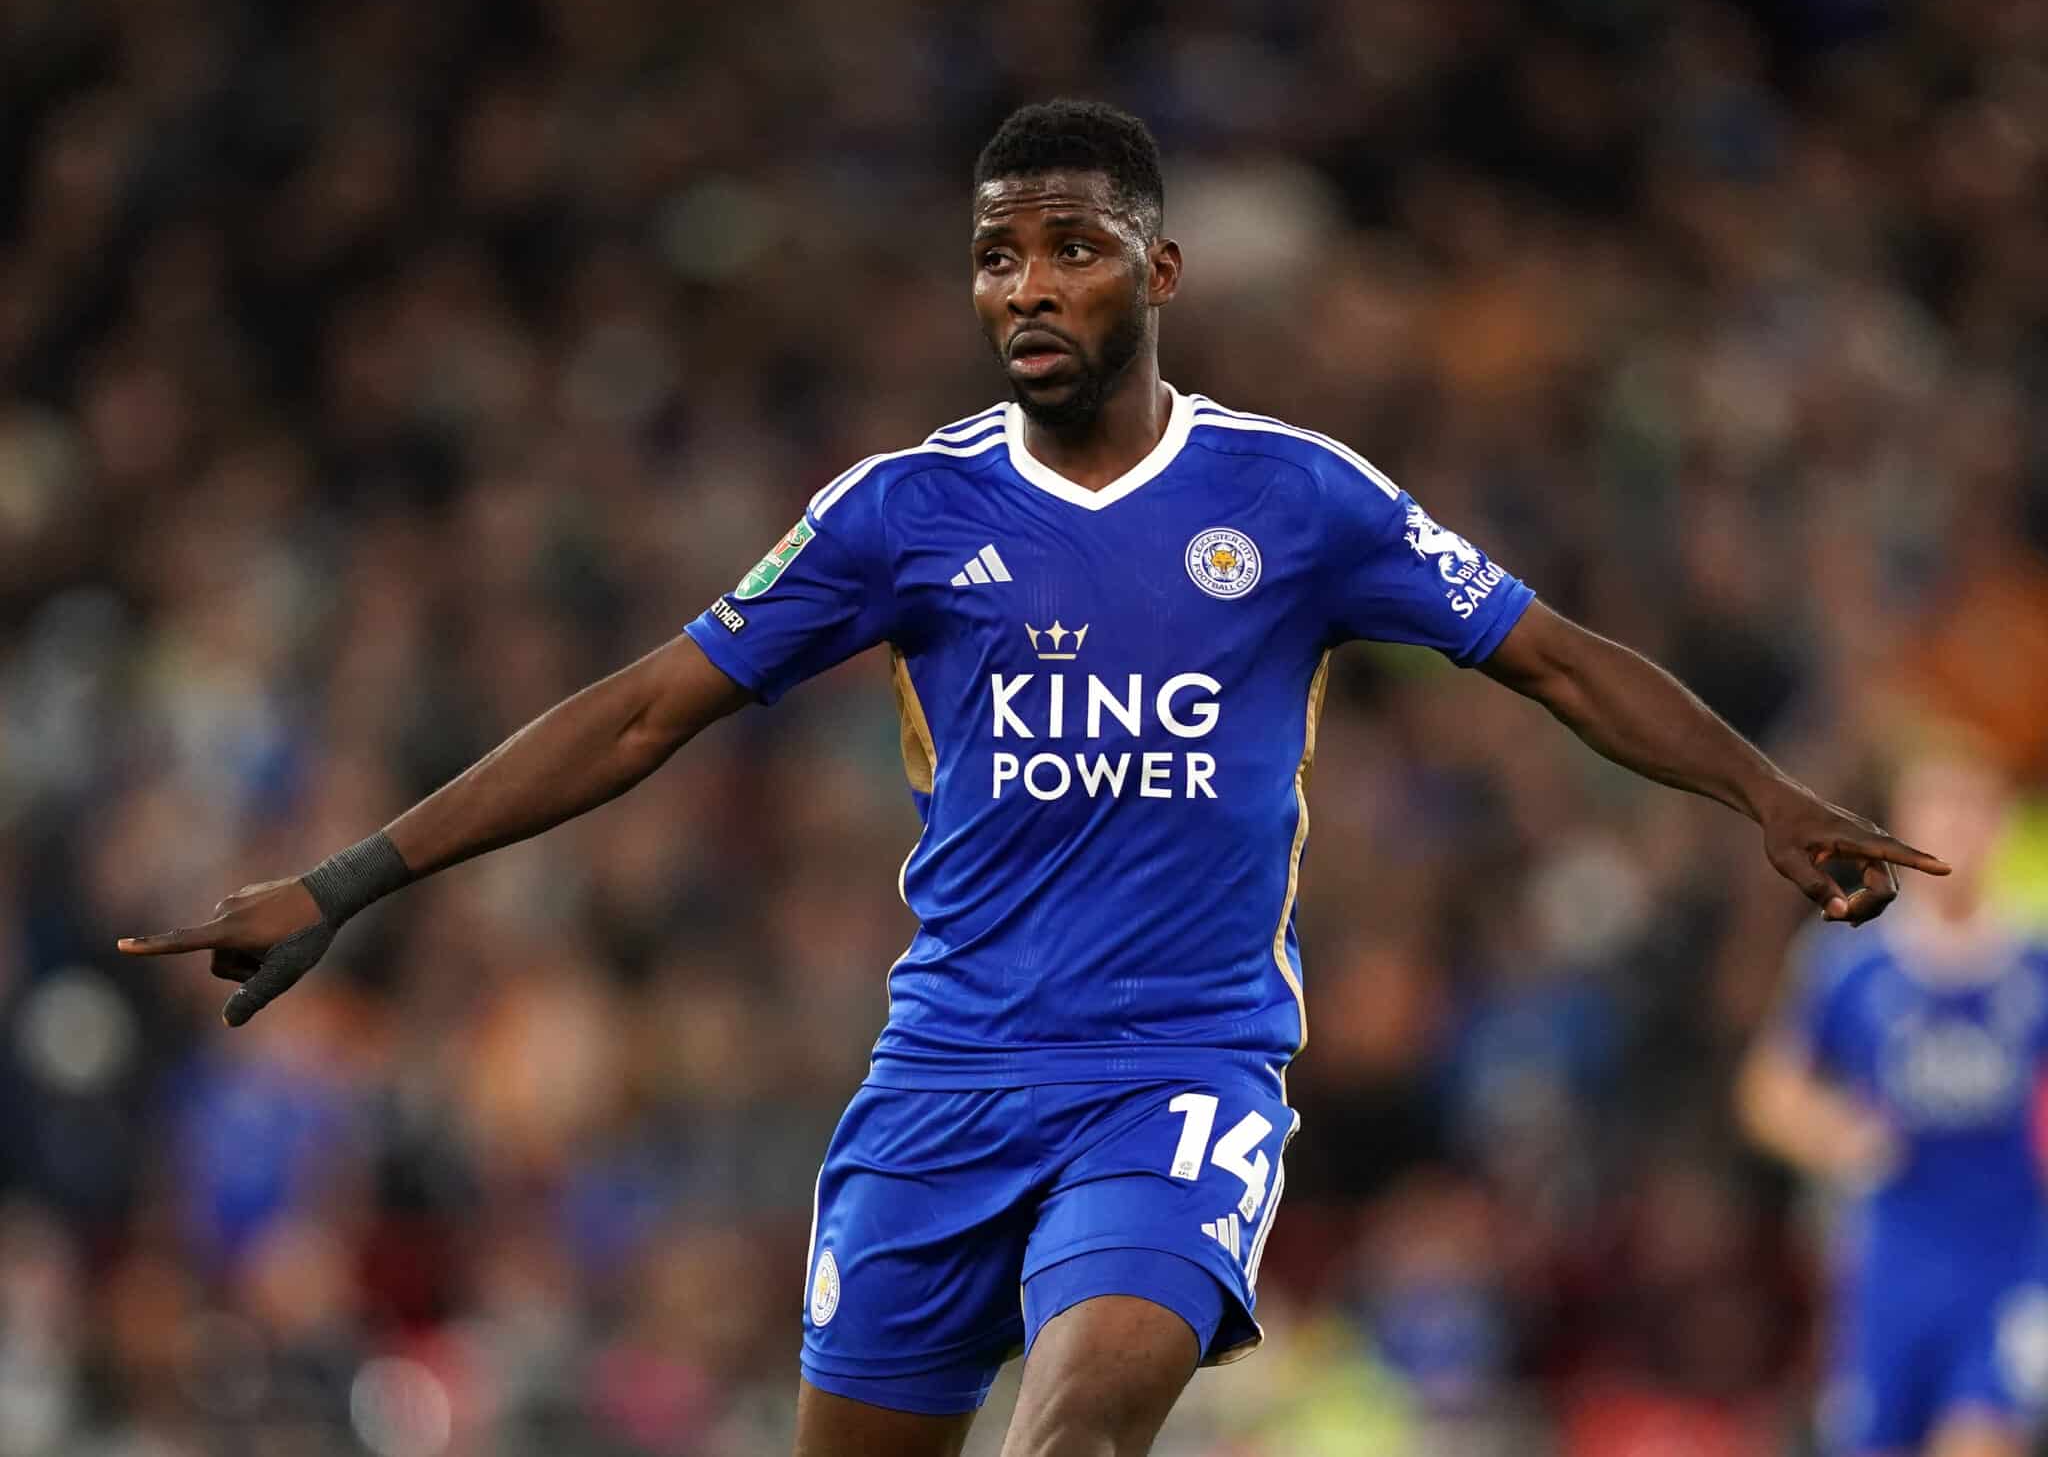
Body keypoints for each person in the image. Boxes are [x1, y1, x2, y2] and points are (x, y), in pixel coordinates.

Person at [122, 100, 1946, 1457]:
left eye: (1068, 244)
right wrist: (344, 881)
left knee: (1071, 1432)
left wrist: (1762, 795)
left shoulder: (1292, 496)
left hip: (1177, 1067)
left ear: (1156, 269)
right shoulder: (903, 512)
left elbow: (1548, 653)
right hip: (941, 1077)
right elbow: (635, 714)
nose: (1026, 285)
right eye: (996, 253)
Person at [1740, 750, 2048, 1457]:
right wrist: (1833, 1134)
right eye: (1937, 810)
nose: (1955, 831)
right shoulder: (1854, 967)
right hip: (1890, 1264)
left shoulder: (2033, 964)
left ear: (1999, 828)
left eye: (1972, 811)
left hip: (2008, 1260)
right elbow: (1769, 1089)